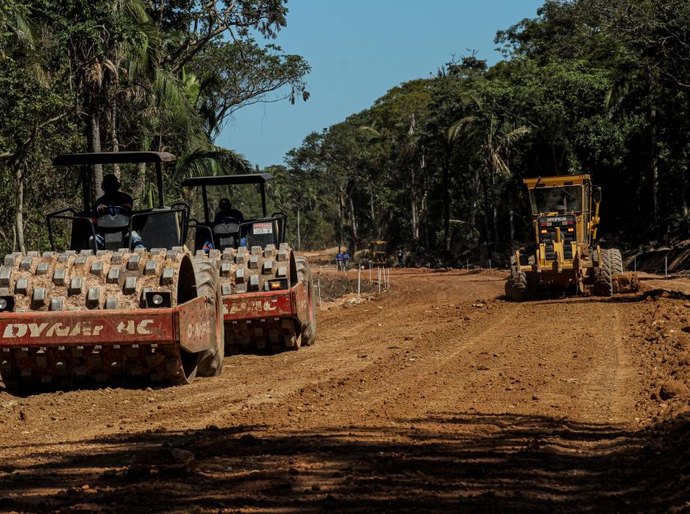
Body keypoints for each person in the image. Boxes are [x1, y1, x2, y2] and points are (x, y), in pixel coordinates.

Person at [91, 173, 144, 249]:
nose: (110, 189)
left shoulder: (126, 198)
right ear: (104, 188)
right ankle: (94, 258)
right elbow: (94, 219)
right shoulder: (99, 202)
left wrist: (111, 209)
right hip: (104, 232)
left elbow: (127, 208)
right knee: (93, 239)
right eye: (108, 187)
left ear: (116, 186)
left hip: (124, 231)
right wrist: (99, 211)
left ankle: (142, 256)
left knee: (135, 238)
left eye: (112, 186)